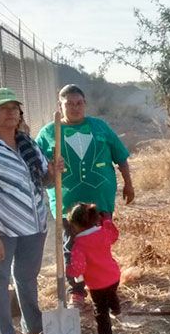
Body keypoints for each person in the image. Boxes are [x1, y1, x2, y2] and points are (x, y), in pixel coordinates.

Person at [0, 87, 63, 334]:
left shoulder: (27, 144)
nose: (11, 112)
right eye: (3, 108)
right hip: (1, 230)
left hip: (34, 226)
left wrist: (52, 173)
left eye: (14, 108)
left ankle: (33, 325)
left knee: (26, 277)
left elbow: (42, 180)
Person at [35, 84, 134, 310]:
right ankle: (76, 292)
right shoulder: (49, 133)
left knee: (99, 246)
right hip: (67, 206)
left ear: (85, 104)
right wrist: (51, 169)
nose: (75, 107)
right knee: (71, 248)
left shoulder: (99, 127)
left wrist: (129, 184)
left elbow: (121, 157)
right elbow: (37, 167)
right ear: (59, 106)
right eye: (69, 103)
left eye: (79, 103)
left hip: (100, 201)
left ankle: (104, 287)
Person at [65, 203, 121, 334]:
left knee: (100, 310)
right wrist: (107, 221)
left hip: (97, 283)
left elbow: (79, 268)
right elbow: (114, 236)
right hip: (114, 275)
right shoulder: (103, 232)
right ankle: (116, 309)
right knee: (112, 293)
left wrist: (69, 270)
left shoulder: (79, 245)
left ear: (75, 226)